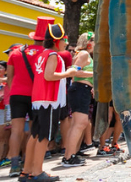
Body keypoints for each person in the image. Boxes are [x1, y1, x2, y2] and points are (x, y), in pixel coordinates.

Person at [23, 23, 78, 182]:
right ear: (56, 40)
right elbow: (49, 76)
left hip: (39, 98)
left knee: (35, 135)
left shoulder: (42, 54)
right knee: (44, 136)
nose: (66, 42)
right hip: (49, 99)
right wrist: (68, 73)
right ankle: (37, 171)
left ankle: (26, 171)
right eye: (64, 39)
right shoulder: (53, 56)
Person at [6, 18, 51, 177]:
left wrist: (13, 92)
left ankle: (14, 166)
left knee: (16, 131)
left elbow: (10, 76)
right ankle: (30, 164)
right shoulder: (46, 54)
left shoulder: (16, 52)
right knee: (34, 131)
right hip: (36, 96)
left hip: (16, 94)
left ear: (33, 37)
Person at [62, 32, 95, 167]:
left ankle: (69, 155)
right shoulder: (84, 54)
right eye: (94, 41)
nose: (96, 44)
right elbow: (74, 71)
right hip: (80, 89)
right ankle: (69, 157)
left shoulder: (83, 54)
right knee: (79, 124)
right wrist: (95, 73)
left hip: (81, 90)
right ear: (88, 42)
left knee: (77, 124)